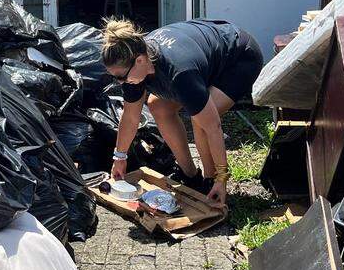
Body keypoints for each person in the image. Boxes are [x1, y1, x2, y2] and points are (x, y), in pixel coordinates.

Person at [102, 18, 264, 208]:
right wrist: (120, 158)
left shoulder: (180, 73)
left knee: (200, 120)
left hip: (238, 57)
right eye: (115, 77)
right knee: (158, 106)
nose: (120, 82)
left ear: (140, 60)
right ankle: (191, 176)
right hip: (203, 55)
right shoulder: (136, 69)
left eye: (121, 77)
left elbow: (213, 127)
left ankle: (209, 181)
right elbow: (130, 117)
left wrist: (222, 178)